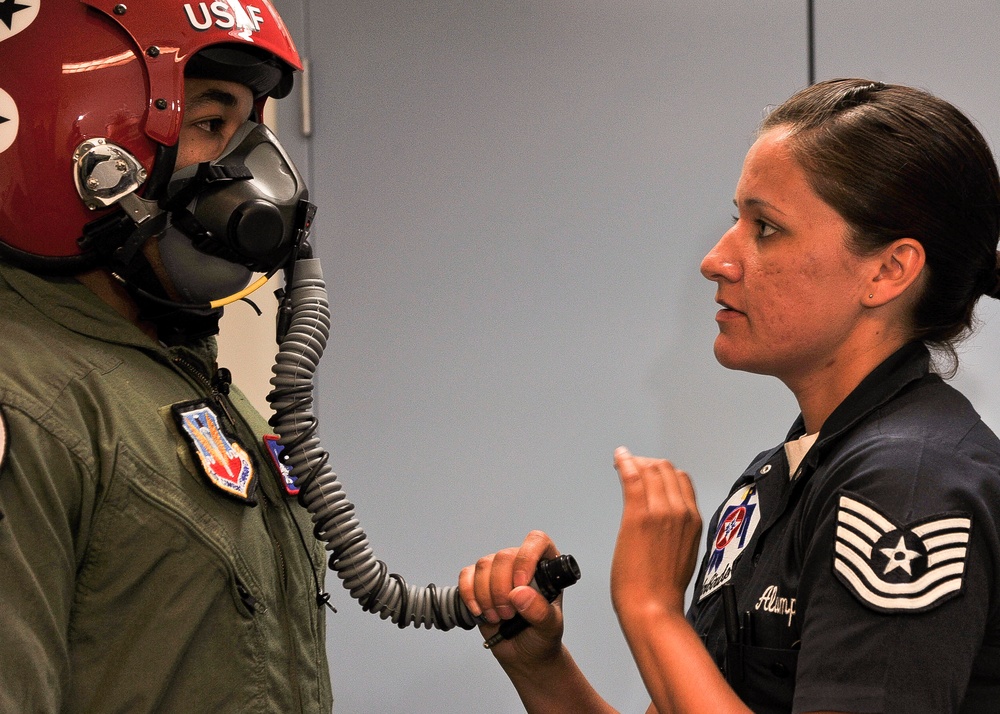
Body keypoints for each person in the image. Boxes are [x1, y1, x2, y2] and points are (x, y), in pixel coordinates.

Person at [459, 78, 1000, 713]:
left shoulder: (909, 482)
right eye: (735, 219)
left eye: (766, 227)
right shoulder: (780, 478)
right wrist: (542, 668)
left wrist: (651, 607)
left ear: (887, 270)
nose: (717, 259)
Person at [0, 1, 332, 711]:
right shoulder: (26, 401)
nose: (260, 172)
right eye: (213, 125)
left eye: (250, 128)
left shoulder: (185, 372)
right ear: (88, 145)